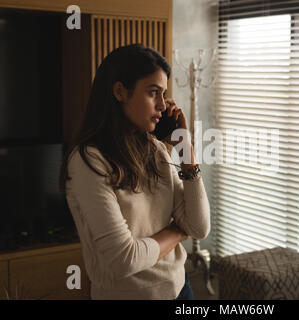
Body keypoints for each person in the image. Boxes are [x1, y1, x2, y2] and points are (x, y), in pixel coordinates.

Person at [59, 44, 210, 300]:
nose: (163, 105)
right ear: (120, 91)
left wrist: (185, 148)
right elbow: (124, 259)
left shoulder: (156, 150)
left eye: (164, 94)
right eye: (153, 93)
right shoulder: (88, 161)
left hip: (180, 291)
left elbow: (199, 226)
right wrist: (176, 231)